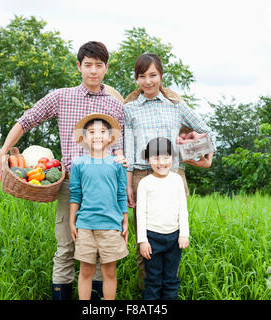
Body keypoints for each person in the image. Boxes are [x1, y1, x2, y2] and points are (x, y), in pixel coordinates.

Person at [0, 41, 127, 300]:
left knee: (102, 253)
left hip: (105, 187)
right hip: (72, 184)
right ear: (79, 66)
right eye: (88, 65)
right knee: (67, 246)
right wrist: (4, 150)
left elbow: (119, 148)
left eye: (98, 66)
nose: (93, 70)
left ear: (106, 68)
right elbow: (27, 119)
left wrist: (123, 188)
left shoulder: (115, 105)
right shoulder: (61, 97)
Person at [123, 53, 216, 288]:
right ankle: (149, 293)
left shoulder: (177, 107)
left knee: (174, 234)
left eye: (153, 75)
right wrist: (128, 184)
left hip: (174, 175)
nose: (148, 81)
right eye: (142, 76)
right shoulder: (130, 109)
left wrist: (200, 157)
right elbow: (130, 150)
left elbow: (207, 132)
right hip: (142, 176)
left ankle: (169, 290)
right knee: (144, 238)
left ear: (161, 76)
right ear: (136, 80)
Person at [69, 113, 129, 300]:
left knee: (109, 272)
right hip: (85, 226)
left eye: (102, 131)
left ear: (110, 138)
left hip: (111, 226)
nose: (97, 135)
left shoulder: (117, 164)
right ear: (84, 138)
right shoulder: (78, 164)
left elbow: (121, 193)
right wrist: (72, 221)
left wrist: (124, 220)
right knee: (86, 271)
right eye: (92, 131)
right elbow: (75, 194)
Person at [136, 137, 188, 299]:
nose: (161, 162)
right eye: (155, 157)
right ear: (148, 159)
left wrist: (184, 234)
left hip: (174, 237)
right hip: (152, 238)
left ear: (172, 158)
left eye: (166, 157)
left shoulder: (177, 179)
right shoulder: (145, 183)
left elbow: (183, 209)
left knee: (171, 279)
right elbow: (140, 214)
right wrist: (142, 240)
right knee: (153, 280)